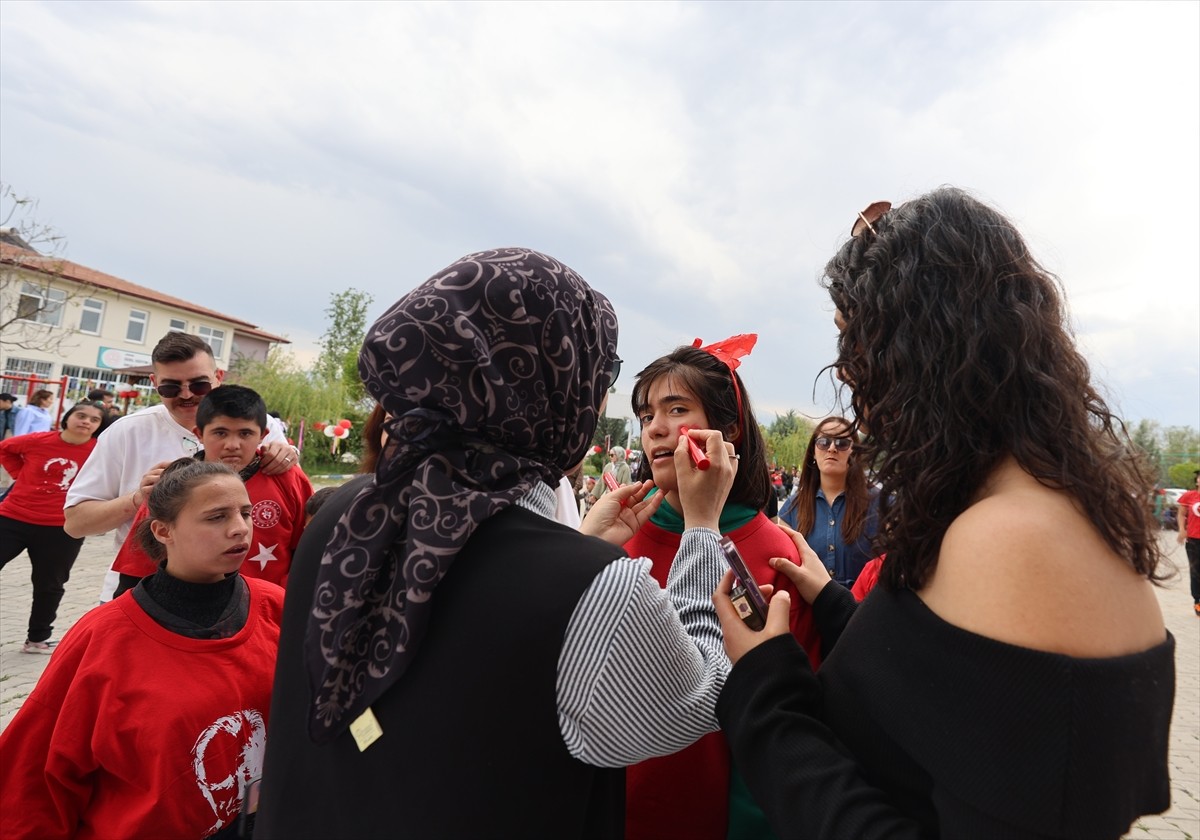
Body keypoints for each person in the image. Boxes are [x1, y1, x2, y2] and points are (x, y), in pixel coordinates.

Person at [713, 189, 1173, 838]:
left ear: (916, 352)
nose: (852, 380)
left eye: (858, 349)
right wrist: (828, 600)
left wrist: (764, 686)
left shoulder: (1007, 541)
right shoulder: (1044, 510)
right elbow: (938, 691)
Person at [254, 247, 738, 839]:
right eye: (602, 376)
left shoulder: (343, 517)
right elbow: (692, 701)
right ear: (551, 384)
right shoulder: (597, 587)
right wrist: (702, 529)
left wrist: (579, 549)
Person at [0, 458, 285, 838]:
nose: (239, 529)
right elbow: (33, 778)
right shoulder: (102, 638)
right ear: (163, 530)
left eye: (245, 513)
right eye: (216, 517)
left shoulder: (276, 607)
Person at [623, 339, 822, 840]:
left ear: (728, 430)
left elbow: (793, 711)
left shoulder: (778, 553)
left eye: (677, 408)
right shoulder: (619, 538)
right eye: (647, 415)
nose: (657, 429)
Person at [63, 332, 294, 601]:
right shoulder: (127, 432)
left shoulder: (262, 425)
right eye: (171, 387)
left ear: (218, 376)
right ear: (154, 382)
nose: (186, 395)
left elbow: (293, 503)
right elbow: (75, 523)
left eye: (199, 385)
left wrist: (287, 456)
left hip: (242, 597)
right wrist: (138, 498)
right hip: (142, 592)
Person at [109, 385, 313, 595]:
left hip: (267, 613)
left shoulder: (289, 479)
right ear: (199, 434)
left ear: (263, 435)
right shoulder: (172, 483)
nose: (233, 444)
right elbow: (137, 568)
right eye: (220, 433)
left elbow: (310, 553)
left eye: (245, 433)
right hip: (185, 615)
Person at [0, 401, 104, 653]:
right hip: (12, 519)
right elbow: (4, 449)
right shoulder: (38, 440)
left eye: (94, 419)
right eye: (81, 415)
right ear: (68, 417)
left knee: (50, 584)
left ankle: (37, 639)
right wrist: (19, 474)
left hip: (63, 528)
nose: (86, 422)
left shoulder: (99, 451)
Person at [779, 417, 880, 589]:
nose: (832, 448)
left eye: (842, 443)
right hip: (811, 611)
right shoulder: (792, 508)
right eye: (824, 442)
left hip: (865, 611)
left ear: (854, 453)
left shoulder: (879, 504)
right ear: (813, 452)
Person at [1177, 469, 1200, 616]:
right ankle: (1197, 601)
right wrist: (1181, 529)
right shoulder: (1189, 496)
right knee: (1196, 571)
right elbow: (1181, 513)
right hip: (1193, 540)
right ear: (1197, 480)